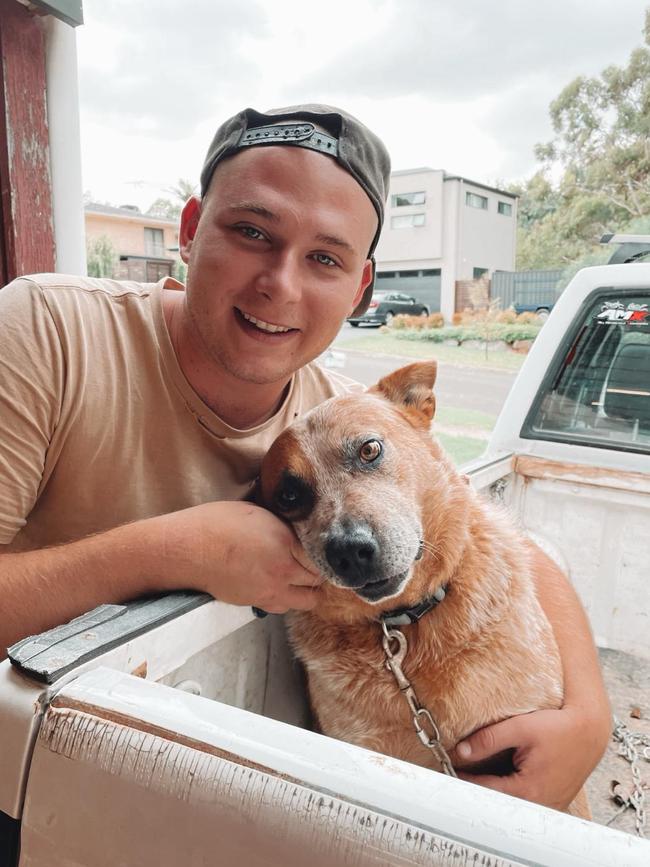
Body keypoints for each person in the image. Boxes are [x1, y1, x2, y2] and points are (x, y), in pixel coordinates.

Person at [0, 104, 609, 811]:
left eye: (324, 257)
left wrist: (587, 717)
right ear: (191, 231)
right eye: (253, 232)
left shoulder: (340, 418)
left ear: (361, 287)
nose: (280, 284)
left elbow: (495, 534)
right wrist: (167, 549)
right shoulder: (46, 331)